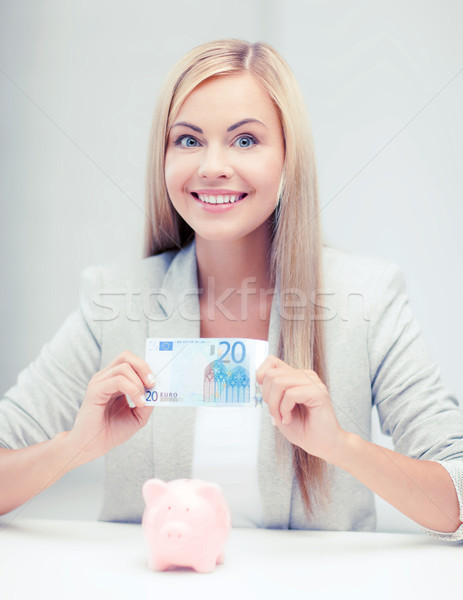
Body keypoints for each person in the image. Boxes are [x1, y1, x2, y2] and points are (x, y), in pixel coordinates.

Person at [1, 39, 462, 540]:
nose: (212, 166)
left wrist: (341, 446)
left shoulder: (368, 298)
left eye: (245, 140)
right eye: (188, 140)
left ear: (289, 157)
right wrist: (75, 445)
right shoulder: (113, 299)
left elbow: (454, 500)